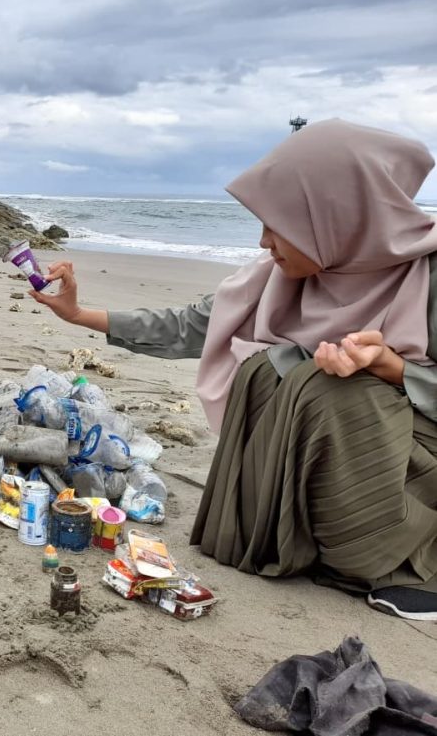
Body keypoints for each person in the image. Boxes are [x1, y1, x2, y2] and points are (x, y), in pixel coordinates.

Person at [32, 119, 437, 621]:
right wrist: (77, 314)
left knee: (329, 388)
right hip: (348, 456)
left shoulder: (428, 277)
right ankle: (303, 539)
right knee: (269, 369)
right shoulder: (277, 280)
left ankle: (395, 561)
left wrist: (391, 367)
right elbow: (188, 326)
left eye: (282, 224)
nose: (265, 240)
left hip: (418, 464)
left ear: (340, 217)